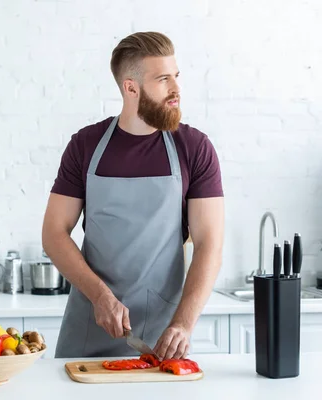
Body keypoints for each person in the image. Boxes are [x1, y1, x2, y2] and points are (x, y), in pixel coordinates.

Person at [43, 31, 224, 360]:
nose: (176, 90)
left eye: (177, 77)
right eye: (163, 79)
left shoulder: (195, 148)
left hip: (163, 335)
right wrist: (100, 296)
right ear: (131, 87)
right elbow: (54, 233)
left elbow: (209, 242)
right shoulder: (85, 146)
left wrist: (183, 324)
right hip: (91, 323)